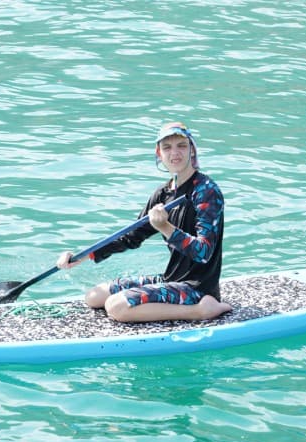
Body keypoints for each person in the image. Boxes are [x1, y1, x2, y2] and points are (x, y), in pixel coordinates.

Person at [56, 122, 232, 323]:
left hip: (196, 287)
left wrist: (166, 228)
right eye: (167, 147)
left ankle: (201, 311)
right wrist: (84, 255)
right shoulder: (163, 193)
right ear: (159, 153)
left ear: (192, 150)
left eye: (181, 146)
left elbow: (203, 252)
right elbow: (132, 236)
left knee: (116, 306)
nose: (175, 153)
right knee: (94, 296)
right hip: (171, 279)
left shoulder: (207, 191)